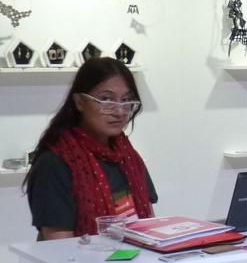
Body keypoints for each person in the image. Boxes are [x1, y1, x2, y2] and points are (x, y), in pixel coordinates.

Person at [23, 57, 157, 240]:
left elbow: (149, 222)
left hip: (135, 256)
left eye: (126, 100)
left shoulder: (128, 156)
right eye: (106, 99)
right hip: (83, 258)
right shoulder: (54, 163)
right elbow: (59, 246)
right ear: (79, 102)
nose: (119, 111)